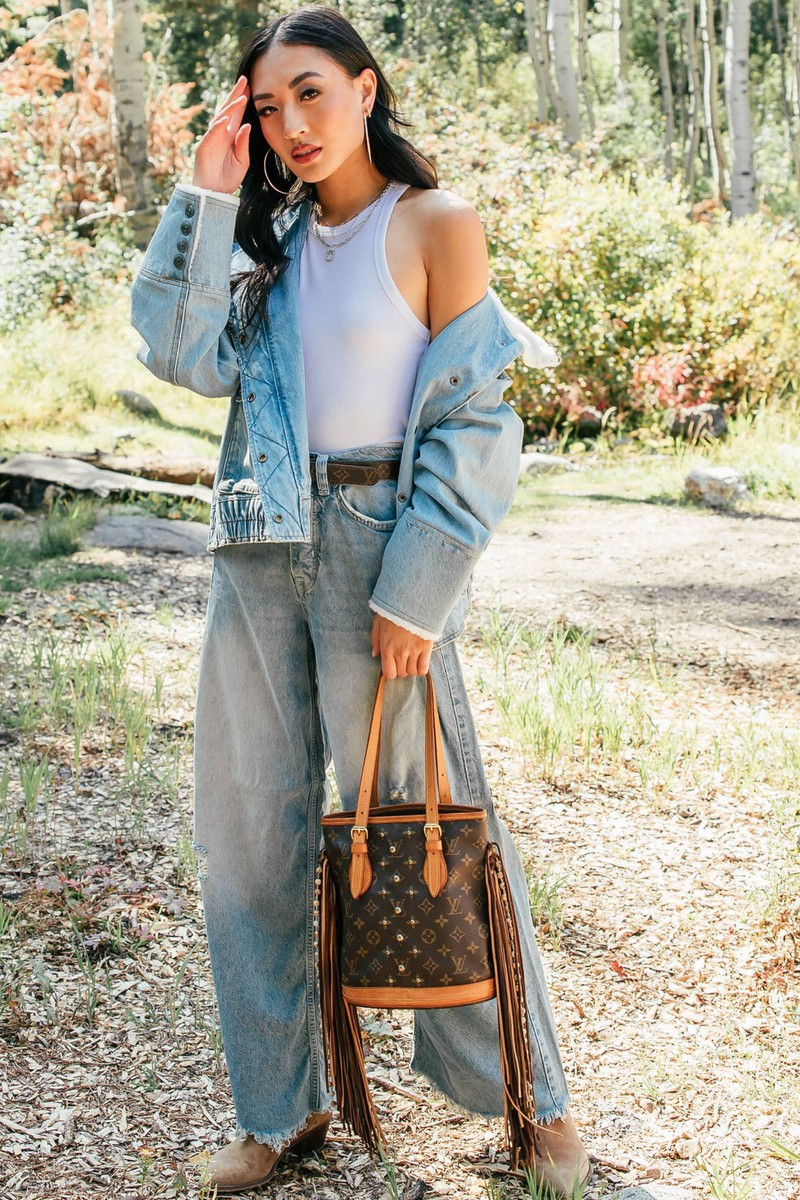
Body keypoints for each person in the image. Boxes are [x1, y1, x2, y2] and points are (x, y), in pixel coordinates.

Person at [130, 5, 590, 1196]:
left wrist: (419, 590)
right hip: (255, 549)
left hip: (379, 549)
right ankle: (279, 1111)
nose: (290, 125)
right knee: (248, 836)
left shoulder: (436, 224)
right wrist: (205, 189)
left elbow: (479, 423)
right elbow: (176, 352)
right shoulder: (263, 245)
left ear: (367, 88)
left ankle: (528, 1103)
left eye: (310, 95)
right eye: (268, 108)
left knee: (433, 823)